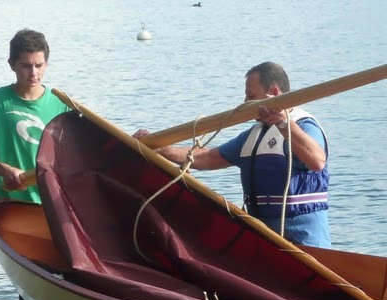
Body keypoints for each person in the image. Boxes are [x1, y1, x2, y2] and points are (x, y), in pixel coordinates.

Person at [135, 61, 332, 248]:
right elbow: (208, 157)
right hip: (266, 242)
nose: (245, 103)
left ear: (273, 93)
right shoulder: (253, 136)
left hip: (306, 244)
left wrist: (282, 123)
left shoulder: (305, 125)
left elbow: (317, 161)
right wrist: (162, 150)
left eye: (250, 96)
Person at [0, 28, 69, 300]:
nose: (33, 73)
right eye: (26, 65)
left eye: (39, 65)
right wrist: (4, 170)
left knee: (72, 284)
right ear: (12, 64)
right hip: (16, 213)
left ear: (46, 64)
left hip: (55, 211)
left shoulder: (61, 103)